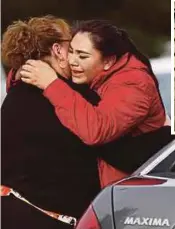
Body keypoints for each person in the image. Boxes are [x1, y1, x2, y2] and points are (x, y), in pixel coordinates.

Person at [20, 19, 170, 186]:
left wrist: (51, 84)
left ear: (108, 61)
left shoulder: (134, 83)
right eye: (71, 51)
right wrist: (25, 71)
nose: (72, 61)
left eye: (82, 56)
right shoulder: (94, 73)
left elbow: (97, 130)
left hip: (131, 194)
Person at [1, 16, 104, 229]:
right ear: (58, 50)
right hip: (54, 218)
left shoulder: (14, 96)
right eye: (72, 44)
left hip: (12, 211)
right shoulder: (75, 98)